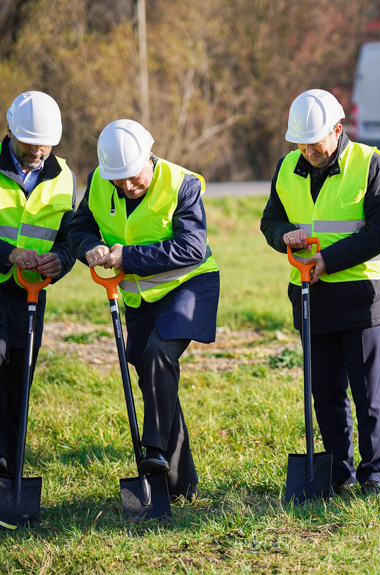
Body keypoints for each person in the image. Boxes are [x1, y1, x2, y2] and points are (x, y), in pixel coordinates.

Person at [69, 119, 219, 502]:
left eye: (134, 178)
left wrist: (128, 256)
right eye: (119, 181)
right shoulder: (101, 182)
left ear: (150, 158)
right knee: (152, 372)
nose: (127, 187)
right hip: (139, 297)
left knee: (158, 353)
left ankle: (151, 450)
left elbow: (192, 247)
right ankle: (181, 485)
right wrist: (89, 247)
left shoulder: (181, 184)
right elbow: (78, 226)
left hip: (189, 286)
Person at [260, 89, 380, 496]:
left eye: (314, 141)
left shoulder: (373, 164)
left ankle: (374, 475)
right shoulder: (287, 167)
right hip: (309, 298)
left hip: (361, 296)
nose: (307, 150)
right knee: (325, 394)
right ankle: (340, 472)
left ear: (338, 130)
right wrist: (284, 236)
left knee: (368, 394)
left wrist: (329, 260)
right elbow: (270, 220)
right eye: (300, 142)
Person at [0, 91, 76, 480]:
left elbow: (70, 237)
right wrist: (9, 253)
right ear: (11, 129)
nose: (39, 150)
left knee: (19, 379)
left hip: (31, 293)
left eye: (46, 142)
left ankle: (10, 469)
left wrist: (60, 261)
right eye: (31, 141)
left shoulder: (63, 175)